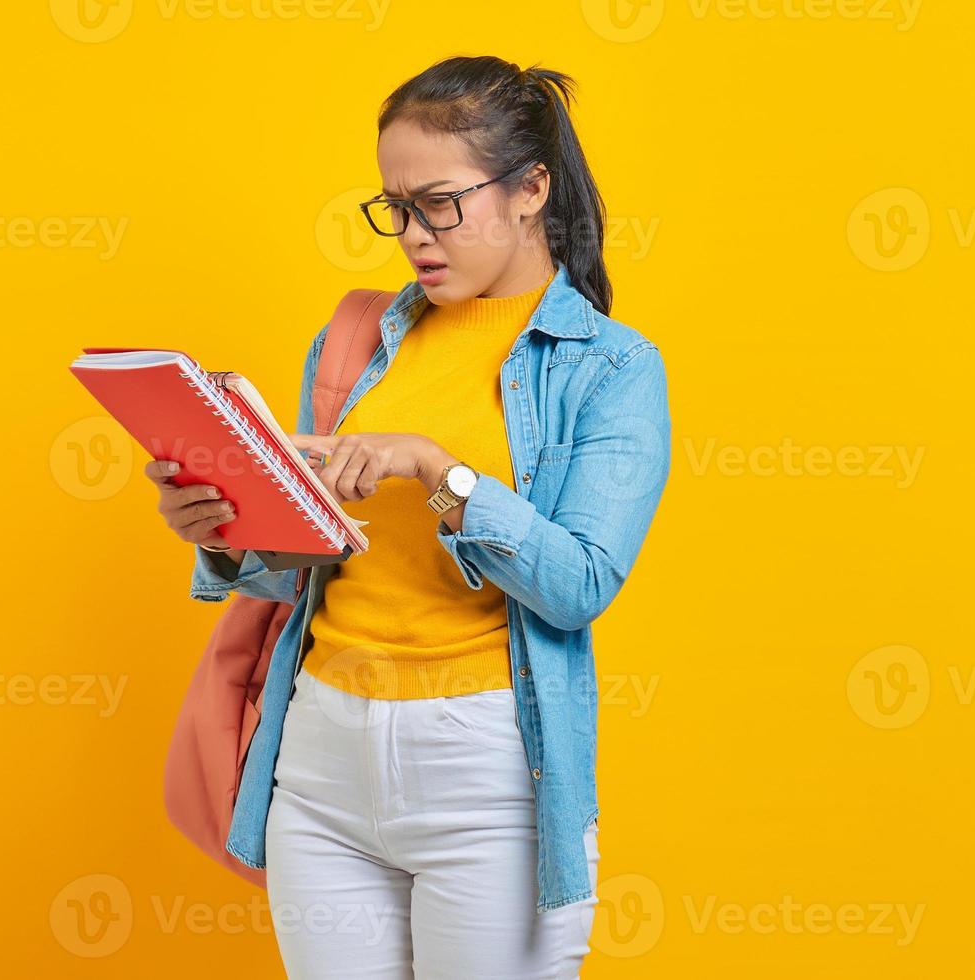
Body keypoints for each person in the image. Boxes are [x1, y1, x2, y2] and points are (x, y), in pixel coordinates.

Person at [148, 54, 671, 979]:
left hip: (486, 771)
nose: (413, 235)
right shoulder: (357, 339)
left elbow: (579, 584)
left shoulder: (612, 368)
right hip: (320, 758)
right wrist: (223, 525)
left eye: (439, 203)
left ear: (529, 190)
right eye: (395, 207)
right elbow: (309, 560)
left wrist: (437, 469)